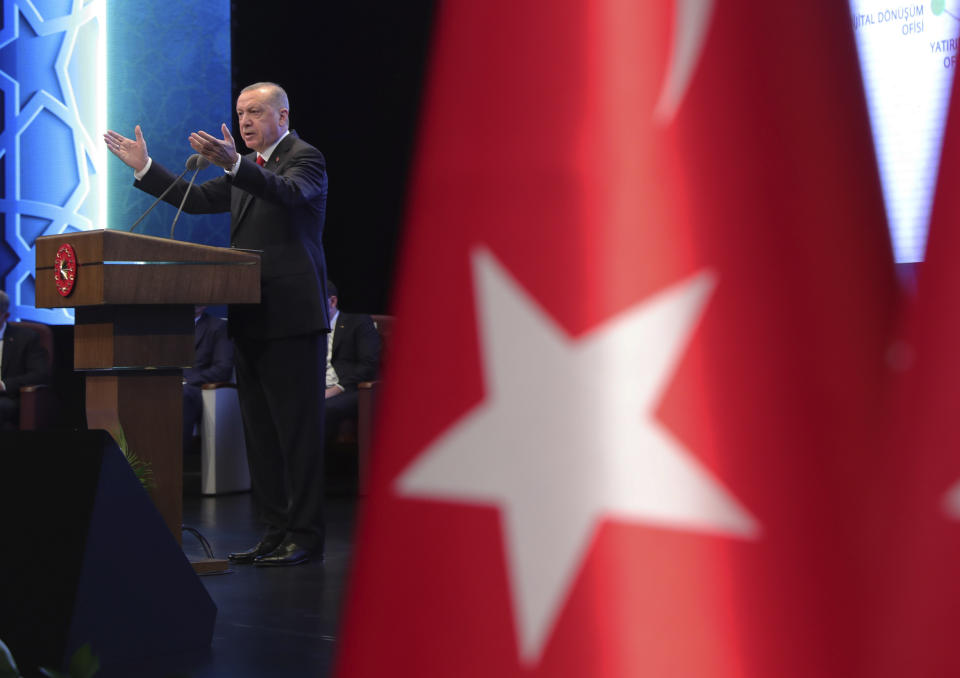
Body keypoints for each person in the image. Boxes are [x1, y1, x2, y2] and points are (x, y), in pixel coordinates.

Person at [104, 82, 330, 566]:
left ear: (282, 116)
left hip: (292, 318)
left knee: (296, 433)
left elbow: (287, 194)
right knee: (262, 435)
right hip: (250, 314)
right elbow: (196, 199)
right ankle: (273, 531)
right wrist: (144, 167)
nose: (245, 121)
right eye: (241, 112)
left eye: (255, 112)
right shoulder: (247, 170)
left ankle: (305, 537)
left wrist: (233, 163)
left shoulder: (304, 158)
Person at [324, 282, 381, 447]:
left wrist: (336, 389)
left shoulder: (358, 323)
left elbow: (368, 365)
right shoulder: (308, 329)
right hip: (318, 388)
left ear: (332, 302)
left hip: (351, 388)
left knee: (322, 410)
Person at [182, 306, 234, 455]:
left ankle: (174, 461)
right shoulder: (167, 327)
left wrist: (188, 380)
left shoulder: (218, 327)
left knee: (182, 394)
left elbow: (222, 369)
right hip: (167, 384)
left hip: (196, 388)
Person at [0, 291, 50, 431]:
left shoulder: (26, 338)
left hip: (9, 398)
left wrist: (3, 385)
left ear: (5, 315)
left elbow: (39, 374)